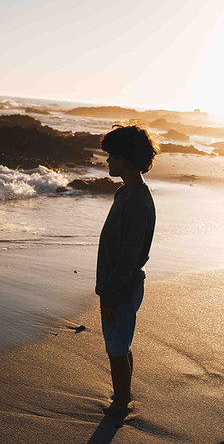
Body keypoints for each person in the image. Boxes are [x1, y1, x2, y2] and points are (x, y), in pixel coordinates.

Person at [95, 124, 159, 418]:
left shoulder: (137, 200)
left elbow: (129, 256)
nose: (107, 160)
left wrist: (109, 294)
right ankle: (125, 394)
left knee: (116, 350)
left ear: (127, 159)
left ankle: (121, 405)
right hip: (119, 284)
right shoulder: (126, 193)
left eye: (112, 156)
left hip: (121, 286)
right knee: (120, 344)